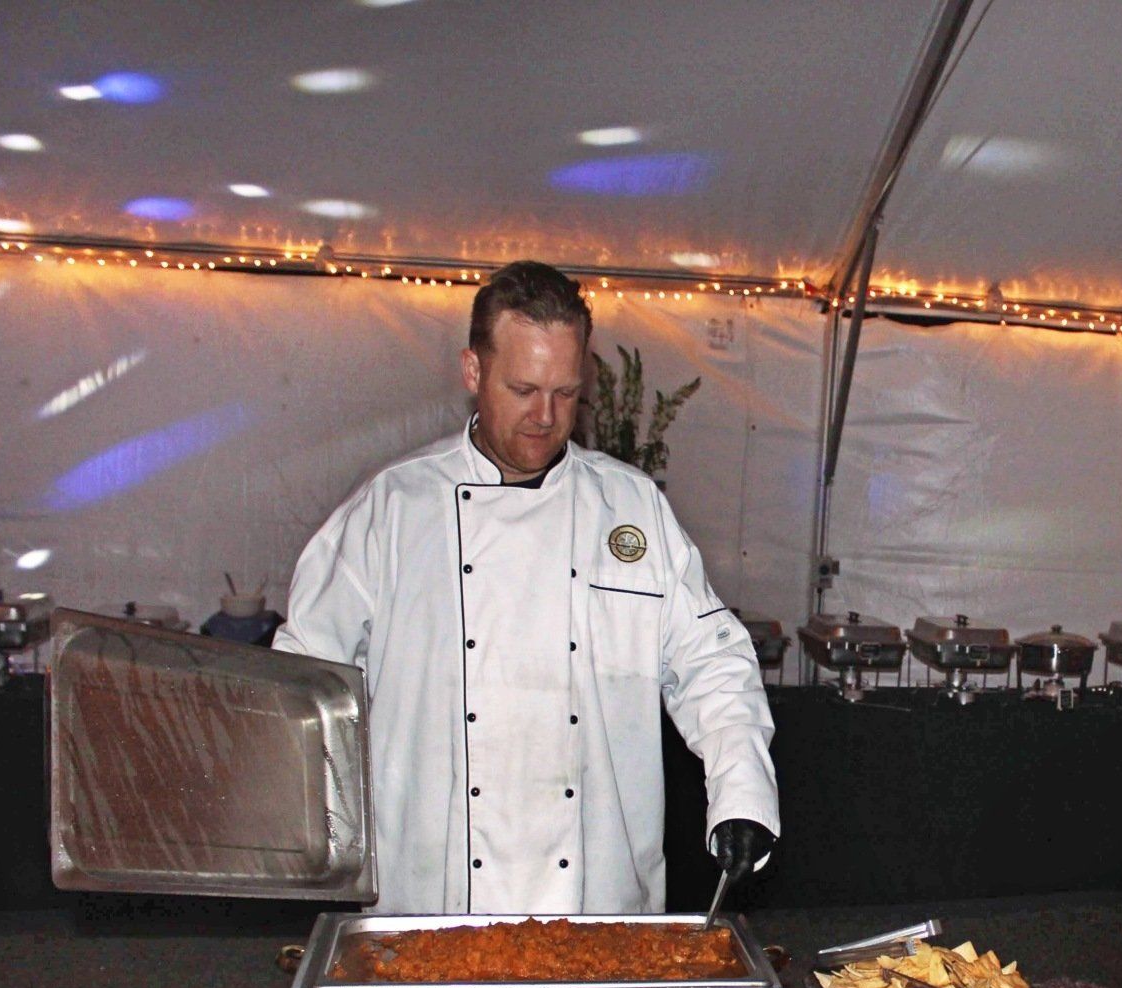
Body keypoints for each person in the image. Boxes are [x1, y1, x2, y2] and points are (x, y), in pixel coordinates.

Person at [274, 261, 777, 914]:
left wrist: (741, 795)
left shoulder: (631, 508)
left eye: (566, 393)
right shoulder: (392, 508)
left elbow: (711, 662)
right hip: (432, 896)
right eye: (524, 388)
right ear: (473, 372)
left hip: (596, 898)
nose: (545, 416)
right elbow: (305, 684)